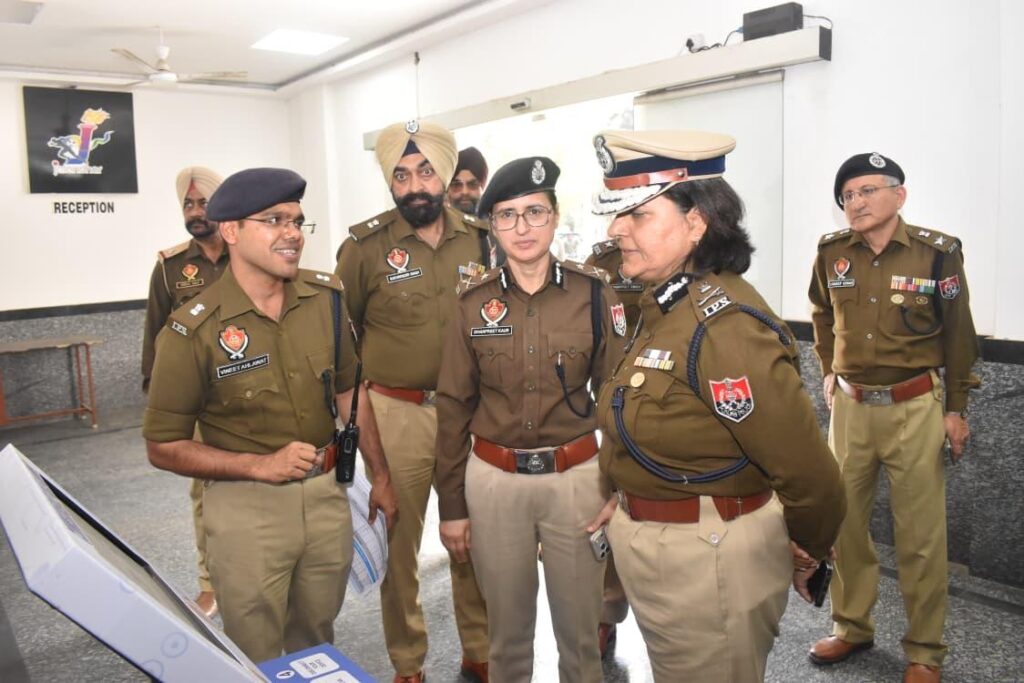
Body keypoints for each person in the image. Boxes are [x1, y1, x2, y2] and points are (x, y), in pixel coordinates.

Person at [588, 130, 846, 682]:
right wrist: (628, 496)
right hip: (664, 552)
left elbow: (810, 476)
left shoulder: (724, 327)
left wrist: (806, 550)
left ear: (696, 223)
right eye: (618, 214)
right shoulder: (663, 306)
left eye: (638, 214)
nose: (615, 229)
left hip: (708, 563)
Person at [143, 167, 397, 663]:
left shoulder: (326, 300)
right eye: (274, 220)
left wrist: (381, 477)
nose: (292, 233)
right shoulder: (192, 330)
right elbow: (162, 446)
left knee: (316, 641)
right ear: (231, 230)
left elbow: (349, 392)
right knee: (254, 650)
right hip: (247, 509)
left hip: (327, 498)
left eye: (297, 221)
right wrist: (259, 465)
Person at [435, 156, 624, 683]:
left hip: (577, 482)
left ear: (555, 216)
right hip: (495, 484)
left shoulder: (593, 293)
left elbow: (618, 398)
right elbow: (452, 406)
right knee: (507, 639)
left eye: (535, 212)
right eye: (507, 215)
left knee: (581, 639)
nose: (522, 228)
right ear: (492, 226)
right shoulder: (471, 303)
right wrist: (452, 506)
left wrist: (618, 488)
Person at [807, 153, 979, 683]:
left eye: (867, 191)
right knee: (844, 523)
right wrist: (829, 368)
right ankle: (851, 626)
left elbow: (959, 334)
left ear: (898, 195)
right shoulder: (832, 253)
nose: (855, 202)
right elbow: (821, 313)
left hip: (914, 406)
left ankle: (925, 650)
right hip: (851, 410)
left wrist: (956, 408)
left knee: (920, 536)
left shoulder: (937, 254)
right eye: (847, 196)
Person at [336, 120, 490, 683]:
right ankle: (408, 662)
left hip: (470, 414)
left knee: (472, 536)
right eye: (401, 175)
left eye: (425, 171)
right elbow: (341, 338)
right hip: (396, 412)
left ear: (445, 173)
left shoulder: (482, 240)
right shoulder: (364, 248)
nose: (414, 185)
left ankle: (481, 650)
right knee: (398, 545)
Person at [140, 166, 227, 618]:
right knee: (204, 490)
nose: (195, 212)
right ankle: (211, 583)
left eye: (204, 203)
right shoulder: (171, 267)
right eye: (188, 204)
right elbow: (155, 332)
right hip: (197, 400)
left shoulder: (246, 253)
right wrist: (156, 394)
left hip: (248, 389)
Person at [583, 238, 645, 657]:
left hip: (680, 400)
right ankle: (607, 612)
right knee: (612, 506)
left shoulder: (700, 251)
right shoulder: (604, 261)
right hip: (618, 403)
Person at [447, 146, 488, 214]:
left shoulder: (497, 219)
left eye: (472, 185)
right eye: (457, 185)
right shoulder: (433, 220)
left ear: (482, 187)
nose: (465, 192)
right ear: (447, 190)